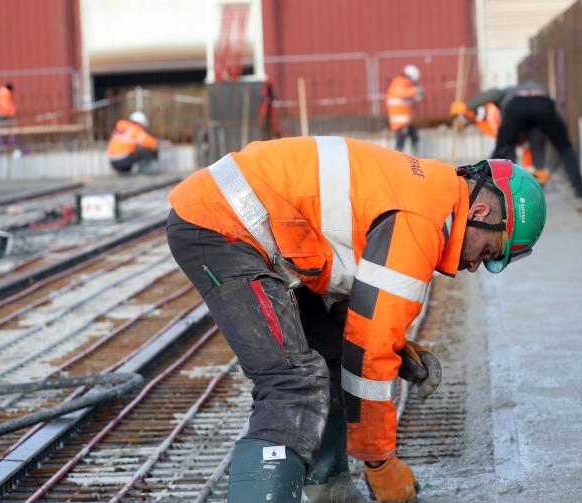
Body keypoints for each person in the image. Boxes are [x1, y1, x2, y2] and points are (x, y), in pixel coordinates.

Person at [166, 136, 546, 503]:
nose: (476, 264)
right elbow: (370, 354)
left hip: (243, 218)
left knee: (331, 349)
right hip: (220, 223)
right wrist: (380, 464)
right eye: (490, 250)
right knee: (292, 383)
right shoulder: (422, 222)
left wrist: (394, 343)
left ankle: (326, 488)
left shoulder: (430, 193)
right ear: (480, 214)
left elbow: (347, 292)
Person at [452, 82, 582, 204]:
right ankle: (580, 193)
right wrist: (549, 170)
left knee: (502, 150)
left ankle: (488, 190)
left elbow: (492, 93)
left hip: (516, 105)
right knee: (564, 146)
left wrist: (467, 107)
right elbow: (556, 147)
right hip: (543, 103)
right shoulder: (535, 91)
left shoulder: (508, 92)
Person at [452, 100, 550, 185]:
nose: (461, 121)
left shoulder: (490, 112)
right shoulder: (480, 121)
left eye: (460, 117)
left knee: (523, 164)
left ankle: (531, 179)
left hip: (521, 135)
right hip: (516, 140)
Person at [386, 65, 423, 152]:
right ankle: (396, 159)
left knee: (415, 137)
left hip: (406, 122)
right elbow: (401, 93)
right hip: (399, 122)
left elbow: (411, 104)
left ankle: (416, 157)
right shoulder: (399, 82)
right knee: (400, 142)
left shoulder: (407, 86)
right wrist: (416, 90)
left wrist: (417, 97)